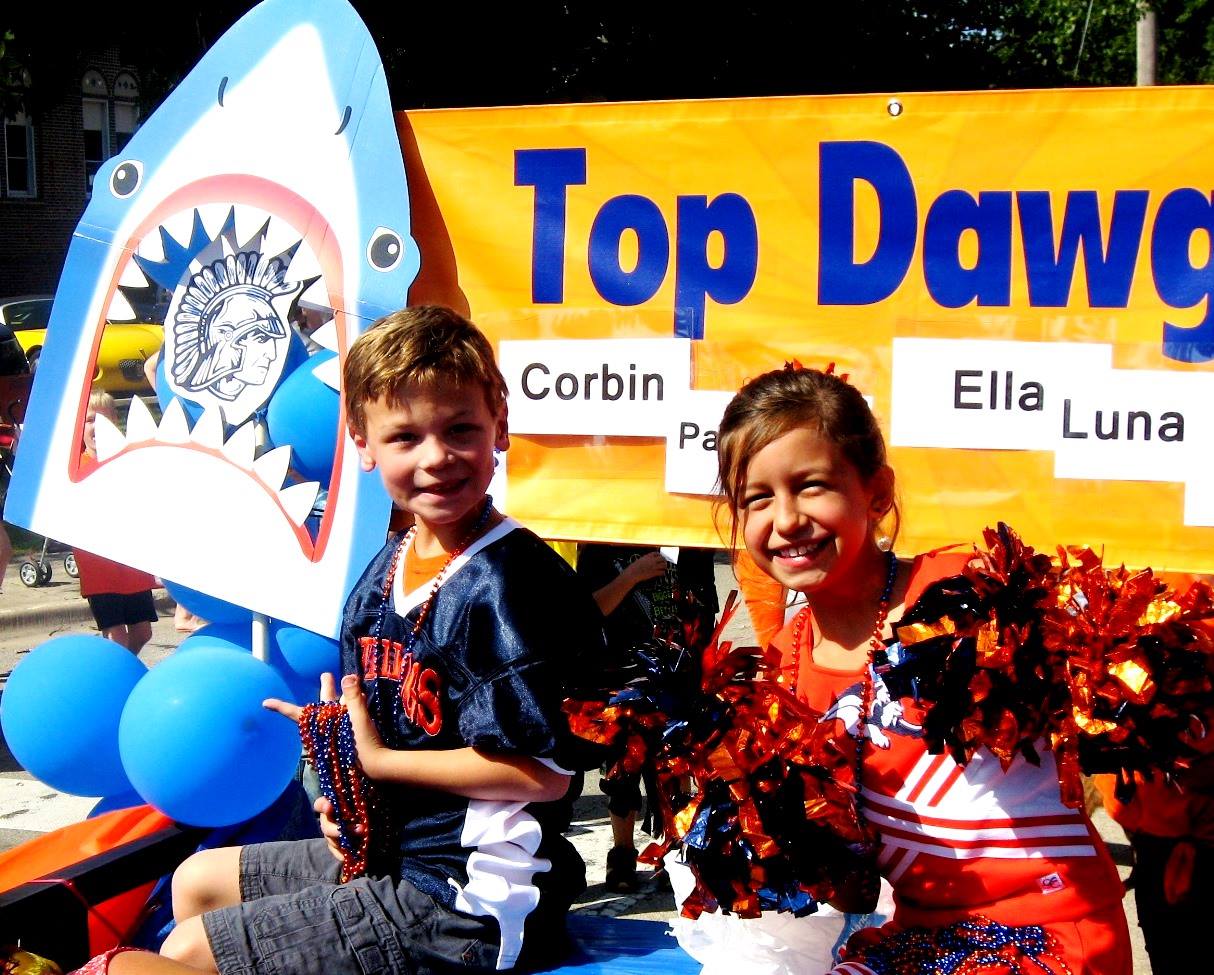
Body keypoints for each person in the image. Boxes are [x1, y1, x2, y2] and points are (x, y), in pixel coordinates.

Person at [82, 306, 605, 975]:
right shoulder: (383, 571)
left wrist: (381, 763)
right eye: (405, 436)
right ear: (362, 441)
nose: (436, 455)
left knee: (180, 953)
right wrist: (348, 792)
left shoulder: (510, 583)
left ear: (499, 422)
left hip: (471, 901)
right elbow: (375, 731)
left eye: (461, 429)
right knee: (197, 879)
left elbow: (543, 773)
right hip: (399, 851)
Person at [712, 364, 1132, 975]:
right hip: (920, 941)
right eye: (757, 498)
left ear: (876, 492)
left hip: (1053, 929)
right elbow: (852, 886)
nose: (786, 520)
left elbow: (1114, 698)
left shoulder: (963, 593)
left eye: (811, 485)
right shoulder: (783, 664)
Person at [575, 543, 717, 892]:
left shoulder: (690, 544)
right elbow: (588, 613)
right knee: (621, 771)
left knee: (676, 768)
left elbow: (706, 613)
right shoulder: (601, 544)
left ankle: (676, 851)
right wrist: (631, 576)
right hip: (621, 674)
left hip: (679, 674)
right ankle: (622, 853)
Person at [73, 391, 158, 654]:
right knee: (116, 635)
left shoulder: (128, 460)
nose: (97, 426)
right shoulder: (76, 466)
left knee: (143, 631)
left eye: (103, 418)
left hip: (132, 564)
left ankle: (118, 670)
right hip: (99, 566)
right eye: (89, 420)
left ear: (115, 421)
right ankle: (115, 676)